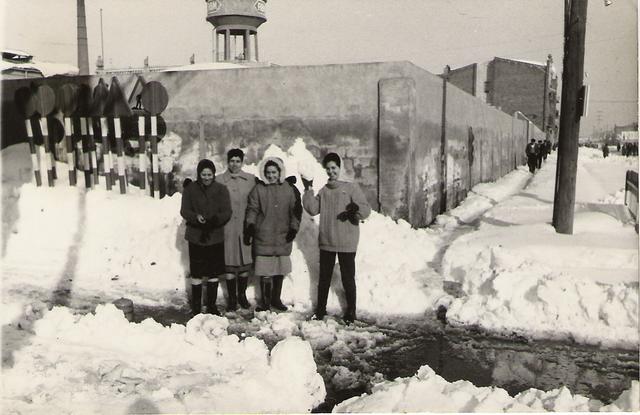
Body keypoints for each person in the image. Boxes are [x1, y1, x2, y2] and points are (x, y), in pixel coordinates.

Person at [302, 153, 371, 325]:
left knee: (348, 277)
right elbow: (312, 209)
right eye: (328, 169)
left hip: (347, 242)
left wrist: (355, 210)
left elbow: (366, 210)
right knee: (324, 278)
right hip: (327, 241)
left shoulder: (351, 188)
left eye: (334, 168)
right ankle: (320, 310)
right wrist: (308, 189)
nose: (331, 171)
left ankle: (351, 311)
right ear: (325, 170)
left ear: (339, 168)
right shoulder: (324, 191)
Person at [244, 157, 300, 312]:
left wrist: (293, 229)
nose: (271, 176)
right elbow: (252, 209)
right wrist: (250, 226)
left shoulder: (288, 189)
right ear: (264, 173)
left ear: (280, 172)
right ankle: (265, 302)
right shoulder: (259, 189)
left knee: (279, 270)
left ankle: (276, 299)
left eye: (274, 172)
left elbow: (295, 211)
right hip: (264, 236)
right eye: (268, 172)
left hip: (283, 236)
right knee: (265, 271)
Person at [180, 159, 232, 316]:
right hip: (196, 237)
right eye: (204, 174)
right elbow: (184, 210)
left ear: (214, 174)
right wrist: (196, 217)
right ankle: (196, 307)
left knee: (213, 273)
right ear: (199, 174)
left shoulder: (222, 189)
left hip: (215, 236)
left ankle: (211, 305)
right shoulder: (190, 189)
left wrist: (217, 219)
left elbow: (227, 211)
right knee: (196, 273)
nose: (207, 177)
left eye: (210, 174)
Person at [217, 149, 256, 310]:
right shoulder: (219, 180)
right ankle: (232, 298)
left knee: (245, 263)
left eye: (237, 161)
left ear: (242, 162)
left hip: (244, 228)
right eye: (232, 161)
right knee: (230, 264)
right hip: (226, 229)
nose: (234, 164)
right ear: (228, 162)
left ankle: (242, 295)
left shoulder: (251, 180)